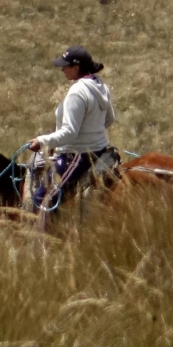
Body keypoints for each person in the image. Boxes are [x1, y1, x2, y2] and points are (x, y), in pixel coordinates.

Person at [26, 45, 120, 219]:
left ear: (76, 68)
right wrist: (92, 133)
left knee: (41, 202)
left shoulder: (77, 93)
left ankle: (41, 240)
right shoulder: (100, 86)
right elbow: (110, 119)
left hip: (77, 156)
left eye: (65, 66)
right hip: (99, 150)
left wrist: (42, 141)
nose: (62, 69)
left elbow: (69, 133)